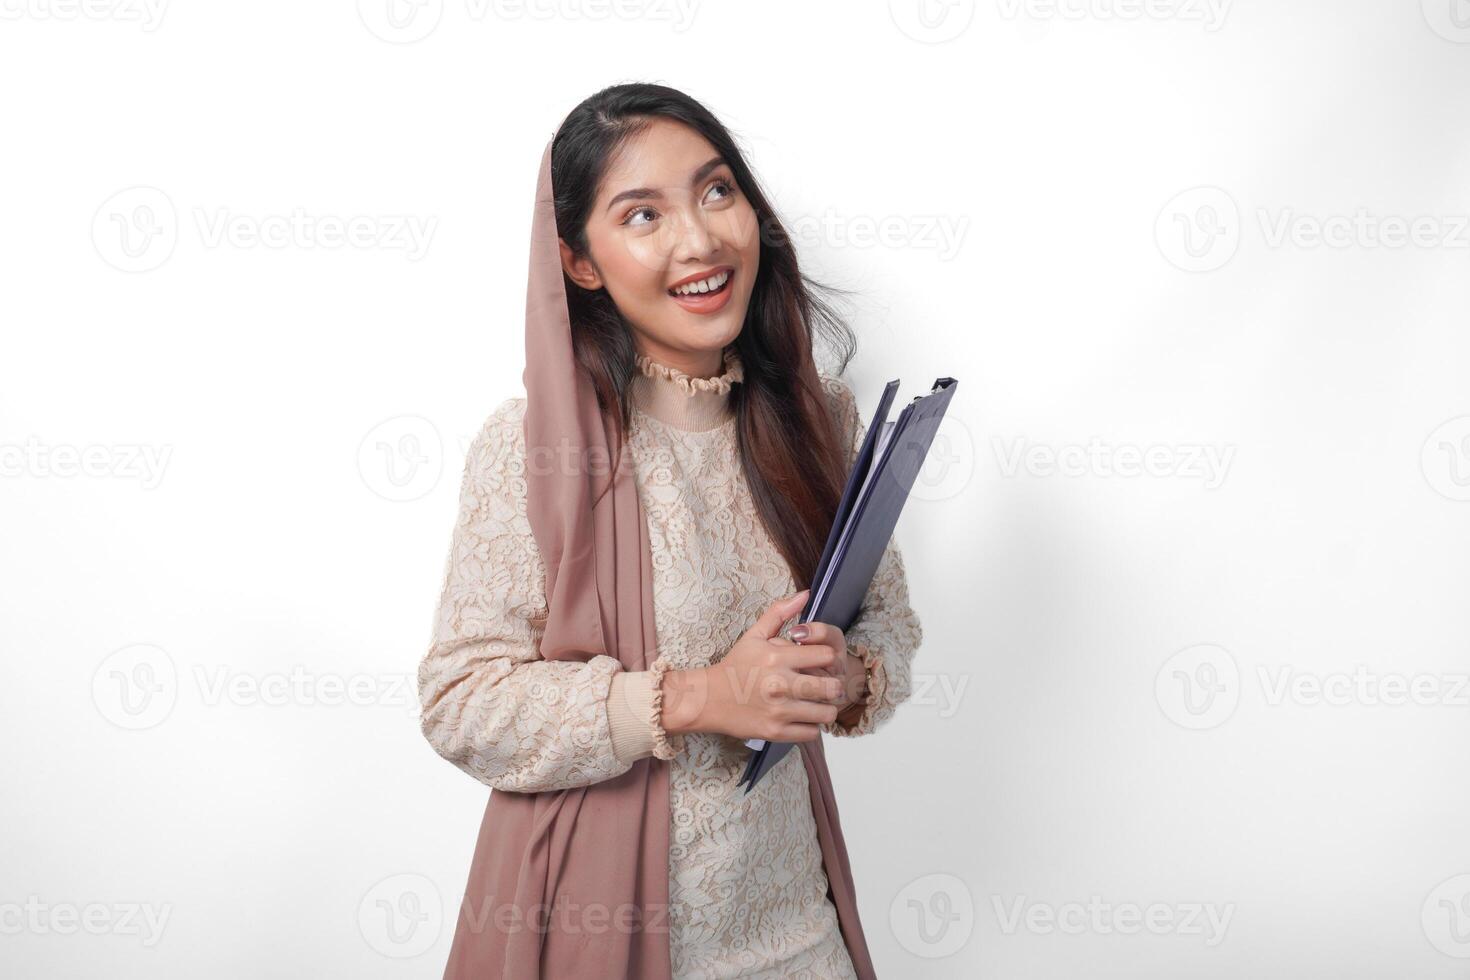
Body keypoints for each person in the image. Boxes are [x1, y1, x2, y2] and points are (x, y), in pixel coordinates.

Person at [417, 82, 923, 979]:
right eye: (642, 215)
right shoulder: (535, 445)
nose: (700, 239)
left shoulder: (820, 417)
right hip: (596, 931)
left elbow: (886, 623)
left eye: (716, 190)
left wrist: (844, 674)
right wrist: (694, 698)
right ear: (581, 263)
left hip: (796, 929)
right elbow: (461, 703)